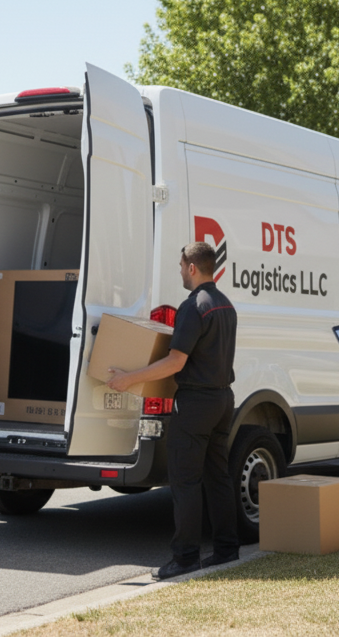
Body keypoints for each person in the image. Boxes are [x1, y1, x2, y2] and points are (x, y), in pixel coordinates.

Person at [106, 241, 239, 579]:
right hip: (223, 400)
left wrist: (128, 379)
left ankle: (184, 558)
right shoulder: (226, 306)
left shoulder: (193, 306)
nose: (180, 271)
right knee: (218, 477)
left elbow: (175, 361)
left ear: (192, 267)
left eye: (181, 265)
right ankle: (226, 548)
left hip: (195, 404)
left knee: (185, 482)